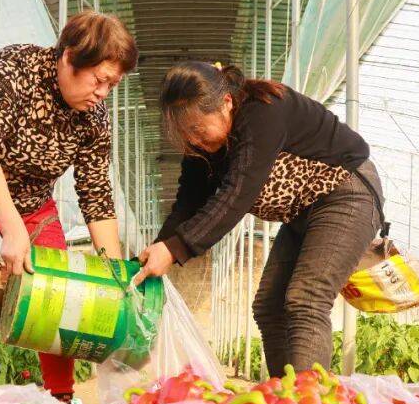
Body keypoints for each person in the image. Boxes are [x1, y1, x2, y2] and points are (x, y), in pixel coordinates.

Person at [0, 11, 137, 400]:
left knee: (57, 296)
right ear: (69, 57)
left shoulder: (93, 119)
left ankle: (61, 400)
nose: (103, 92)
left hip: (33, 204)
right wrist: (12, 227)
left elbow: (96, 193)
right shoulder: (13, 69)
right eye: (99, 80)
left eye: (112, 84)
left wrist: (115, 275)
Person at [134, 62, 386, 375]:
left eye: (198, 129)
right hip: (303, 213)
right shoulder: (202, 150)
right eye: (185, 134)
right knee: (269, 308)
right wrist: (157, 249)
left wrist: (175, 249)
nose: (194, 140)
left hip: (346, 193)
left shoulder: (262, 113)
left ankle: (307, 399)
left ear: (226, 103)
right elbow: (188, 203)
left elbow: (236, 193)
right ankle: (283, 394)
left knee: (306, 298)